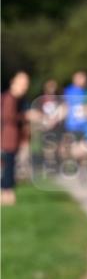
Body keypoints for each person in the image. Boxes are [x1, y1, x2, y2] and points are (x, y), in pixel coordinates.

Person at [1, 71, 30, 205]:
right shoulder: (10, 98)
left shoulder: (18, 99)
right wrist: (25, 116)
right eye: (22, 83)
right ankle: (6, 193)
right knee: (8, 167)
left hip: (13, 139)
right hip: (8, 138)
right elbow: (7, 117)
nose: (24, 87)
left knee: (10, 167)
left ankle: (7, 193)